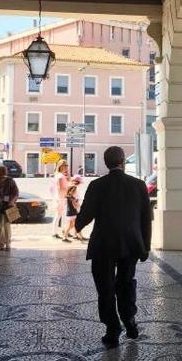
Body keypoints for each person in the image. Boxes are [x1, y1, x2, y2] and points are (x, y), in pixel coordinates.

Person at [74, 146, 152, 347]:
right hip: (131, 244)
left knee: (105, 288)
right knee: (126, 284)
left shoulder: (97, 185)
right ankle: (130, 321)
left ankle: (112, 329)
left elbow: (87, 213)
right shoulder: (138, 185)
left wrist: (78, 224)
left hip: (103, 244)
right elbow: (146, 219)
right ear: (123, 161)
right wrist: (145, 247)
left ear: (106, 163)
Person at [0, 166, 19, 251]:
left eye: (2, 177)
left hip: (8, 206)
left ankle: (8, 244)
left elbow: (15, 193)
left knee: (6, 225)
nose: (0, 179)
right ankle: (1, 244)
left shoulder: (11, 181)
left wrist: (10, 201)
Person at [63, 175, 87, 242]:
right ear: (78, 182)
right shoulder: (74, 189)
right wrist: (76, 204)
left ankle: (78, 236)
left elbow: (70, 197)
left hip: (71, 210)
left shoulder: (71, 188)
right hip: (72, 211)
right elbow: (72, 199)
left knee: (74, 224)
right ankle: (65, 236)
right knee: (72, 225)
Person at [53, 161, 70, 239]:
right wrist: (67, 191)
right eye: (65, 165)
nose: (67, 167)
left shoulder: (61, 175)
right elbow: (60, 188)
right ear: (61, 166)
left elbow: (67, 182)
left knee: (61, 216)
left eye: (67, 165)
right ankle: (55, 233)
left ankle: (62, 231)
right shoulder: (60, 176)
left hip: (62, 198)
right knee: (59, 216)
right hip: (61, 198)